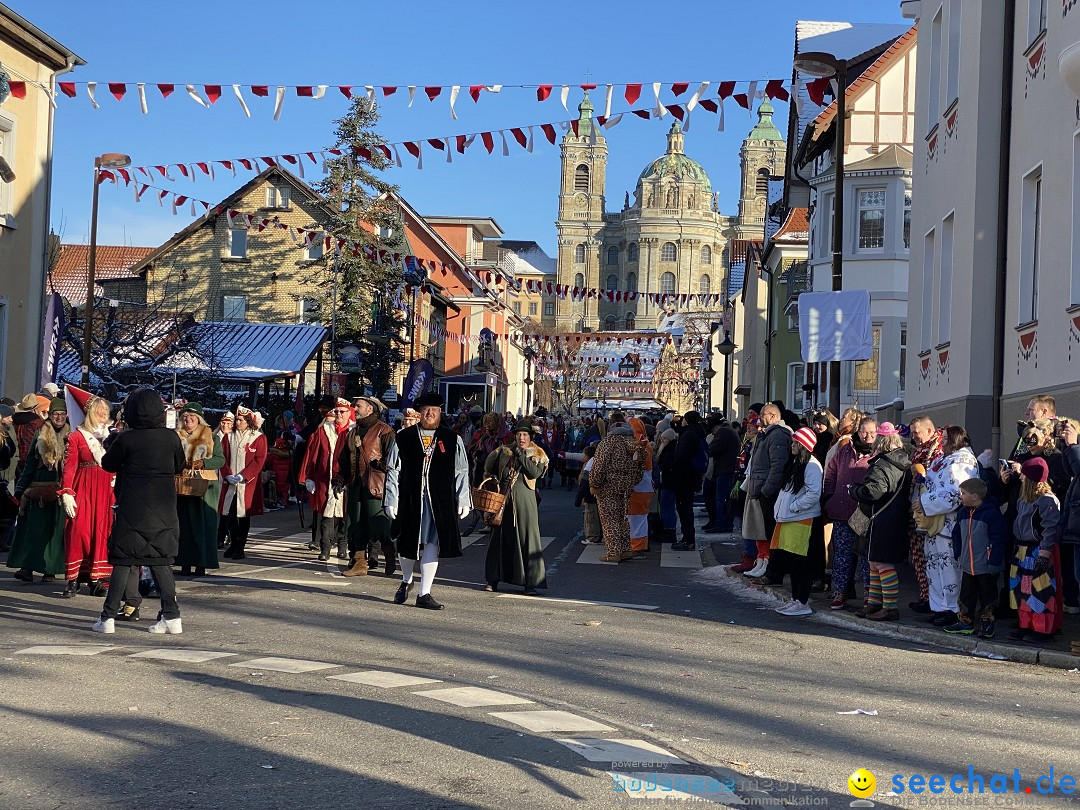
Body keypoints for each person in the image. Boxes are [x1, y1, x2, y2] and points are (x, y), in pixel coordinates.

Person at [93, 388, 186, 634]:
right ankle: (172, 616)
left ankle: (108, 618)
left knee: (123, 561)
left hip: (132, 507)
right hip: (164, 508)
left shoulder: (127, 438)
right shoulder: (171, 438)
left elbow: (108, 464)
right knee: (161, 561)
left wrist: (112, 440)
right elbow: (180, 465)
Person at [383, 391, 471, 610]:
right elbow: (393, 469)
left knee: (432, 543)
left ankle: (424, 593)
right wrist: (391, 499)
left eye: (434, 409)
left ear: (440, 412)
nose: (430, 413)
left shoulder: (452, 439)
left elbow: (461, 470)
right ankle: (406, 580)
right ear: (419, 412)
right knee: (406, 544)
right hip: (409, 498)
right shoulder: (404, 437)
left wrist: (463, 499)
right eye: (425, 409)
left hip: (437, 502)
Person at [848, 424, 911, 621]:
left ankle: (890, 607)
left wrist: (854, 491)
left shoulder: (883, 464)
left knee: (882, 564)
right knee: (874, 562)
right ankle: (874, 603)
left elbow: (873, 492)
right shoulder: (903, 461)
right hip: (893, 518)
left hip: (882, 519)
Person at [919, 425, 980, 626]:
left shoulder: (963, 461)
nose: (941, 441)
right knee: (934, 566)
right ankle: (939, 607)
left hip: (949, 524)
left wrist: (925, 502)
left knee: (949, 569)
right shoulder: (943, 460)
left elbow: (956, 494)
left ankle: (953, 609)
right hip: (934, 524)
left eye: (945, 438)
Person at [58, 394, 115, 597]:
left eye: (105, 412)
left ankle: (97, 578)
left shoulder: (112, 436)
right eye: (100, 412)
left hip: (106, 490)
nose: (103, 416)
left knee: (101, 532)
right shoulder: (76, 437)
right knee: (78, 532)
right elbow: (70, 467)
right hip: (83, 488)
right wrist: (67, 492)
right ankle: (73, 579)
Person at [7, 397, 69, 584]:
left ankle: (49, 570)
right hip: (39, 487)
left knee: (55, 531)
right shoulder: (41, 433)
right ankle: (27, 567)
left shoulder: (71, 435)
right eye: (55, 414)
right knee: (34, 529)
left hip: (61, 487)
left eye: (62, 414)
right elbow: (30, 464)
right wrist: (20, 488)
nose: (59, 417)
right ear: (49, 415)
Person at [483, 418, 549, 593]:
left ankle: (530, 583)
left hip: (525, 503)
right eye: (519, 434)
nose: (521, 438)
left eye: (525, 435)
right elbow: (489, 470)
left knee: (528, 541)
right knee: (497, 541)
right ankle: (492, 580)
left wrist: (521, 454)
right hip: (503, 502)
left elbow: (534, 472)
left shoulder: (538, 454)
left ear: (531, 436)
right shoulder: (503, 452)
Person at [822, 417, 876, 610]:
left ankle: (869, 595)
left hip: (864, 514)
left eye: (872, 432)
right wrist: (829, 497)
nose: (867, 436)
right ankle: (840, 592)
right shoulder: (845, 450)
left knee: (865, 558)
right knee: (842, 555)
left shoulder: (878, 454)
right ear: (858, 431)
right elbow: (830, 474)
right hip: (842, 511)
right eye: (864, 432)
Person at [768, 427, 823, 617]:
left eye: (795, 443)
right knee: (793, 563)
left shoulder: (812, 466)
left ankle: (803, 601)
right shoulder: (797, 463)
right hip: (791, 520)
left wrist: (794, 507)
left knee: (802, 564)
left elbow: (814, 493)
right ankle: (795, 599)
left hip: (803, 520)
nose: (792, 445)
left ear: (803, 445)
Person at [340, 396, 396, 577]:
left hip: (375, 486)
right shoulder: (352, 432)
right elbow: (343, 459)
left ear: (370, 409)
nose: (354, 409)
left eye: (358, 406)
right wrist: (340, 478)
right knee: (355, 525)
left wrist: (380, 465)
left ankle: (389, 557)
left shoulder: (385, 431)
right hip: (356, 486)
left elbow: (393, 458)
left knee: (379, 525)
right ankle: (359, 565)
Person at [1008, 457, 1062, 642]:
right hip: (1022, 549)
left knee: (1040, 590)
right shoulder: (1024, 499)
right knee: (1022, 590)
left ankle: (1043, 629)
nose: (1021, 478)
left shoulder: (1047, 500)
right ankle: (1026, 624)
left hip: (1037, 549)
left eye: (1024, 476)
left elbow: (1050, 528)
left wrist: (1045, 552)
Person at [946, 478, 1007, 637]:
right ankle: (965, 622)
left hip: (986, 566)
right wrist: (958, 553)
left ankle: (987, 623)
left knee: (988, 596)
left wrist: (994, 560)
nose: (961, 496)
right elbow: (957, 535)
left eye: (963, 493)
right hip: (967, 565)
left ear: (974, 496)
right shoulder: (962, 512)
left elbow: (999, 538)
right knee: (966, 595)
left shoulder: (991, 514)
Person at [175, 403, 225, 577]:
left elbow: (220, 460)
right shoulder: (176, 437)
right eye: (185, 417)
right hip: (182, 485)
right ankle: (184, 563)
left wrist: (203, 462)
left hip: (205, 487)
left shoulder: (212, 437)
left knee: (203, 526)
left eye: (192, 417)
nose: (188, 420)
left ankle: (202, 563)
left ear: (199, 419)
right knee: (184, 526)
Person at [742, 403, 792, 577]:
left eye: (761, 415)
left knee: (768, 531)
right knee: (759, 529)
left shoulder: (777, 435)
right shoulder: (766, 434)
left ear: (772, 416)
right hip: (759, 487)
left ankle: (771, 566)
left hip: (767, 491)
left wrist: (766, 490)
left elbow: (778, 466)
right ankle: (762, 560)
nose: (758, 419)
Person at [299, 399, 350, 562]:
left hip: (347, 480)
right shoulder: (323, 431)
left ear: (349, 413)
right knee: (326, 515)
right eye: (337, 411)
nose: (339, 415)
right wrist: (309, 478)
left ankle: (343, 546)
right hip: (325, 479)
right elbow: (312, 455)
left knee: (344, 515)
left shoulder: (354, 431)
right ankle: (325, 548)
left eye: (342, 412)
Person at [589, 413, 643, 563]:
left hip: (608, 486)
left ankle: (613, 552)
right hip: (626, 486)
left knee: (609, 519)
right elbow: (640, 466)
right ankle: (625, 549)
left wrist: (594, 485)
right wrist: (632, 482)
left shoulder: (608, 442)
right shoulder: (632, 441)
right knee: (623, 519)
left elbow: (599, 466)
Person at [219, 407, 268, 561]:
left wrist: (243, 476)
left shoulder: (258, 437)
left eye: (240, 420)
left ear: (248, 422)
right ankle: (234, 542)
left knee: (244, 515)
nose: (237, 422)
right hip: (231, 483)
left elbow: (259, 460)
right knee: (229, 514)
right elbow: (222, 457)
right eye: (237, 419)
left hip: (247, 484)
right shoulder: (229, 437)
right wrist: (227, 474)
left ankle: (240, 546)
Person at [907, 417, 944, 613]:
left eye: (917, 432)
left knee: (929, 557)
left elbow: (932, 478)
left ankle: (933, 599)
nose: (914, 437)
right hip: (916, 508)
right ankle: (925, 595)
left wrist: (919, 471)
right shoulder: (919, 450)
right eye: (912, 433)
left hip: (928, 510)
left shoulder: (937, 451)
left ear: (930, 430)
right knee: (918, 555)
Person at [670, 411, 708, 551]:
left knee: (684, 508)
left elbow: (682, 457)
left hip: (684, 477)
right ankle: (688, 539)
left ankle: (688, 540)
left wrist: (673, 469)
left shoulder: (688, 435)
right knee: (686, 508)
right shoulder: (697, 433)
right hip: (691, 476)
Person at [705, 418, 741, 535]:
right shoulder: (730, 431)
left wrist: (710, 447)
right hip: (729, 468)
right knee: (725, 499)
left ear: (716, 427)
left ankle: (720, 523)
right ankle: (724, 523)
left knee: (720, 499)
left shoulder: (723, 432)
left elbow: (714, 449)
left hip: (724, 469)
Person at [626, 417, 654, 554]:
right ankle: (641, 544)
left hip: (637, 487)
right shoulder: (645, 443)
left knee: (635, 519)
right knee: (640, 518)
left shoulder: (637, 443)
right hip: (645, 486)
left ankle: (637, 546)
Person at [213, 412, 235, 550]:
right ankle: (219, 536)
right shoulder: (214, 436)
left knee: (227, 508)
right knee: (217, 508)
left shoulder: (234, 438)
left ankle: (223, 536)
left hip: (230, 476)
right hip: (216, 475)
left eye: (228, 423)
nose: (225, 425)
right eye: (223, 422)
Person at [575, 444, 602, 546]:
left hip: (589, 495)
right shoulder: (596, 461)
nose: (583, 456)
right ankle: (597, 536)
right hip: (594, 494)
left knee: (591, 517)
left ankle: (592, 537)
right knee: (595, 516)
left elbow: (584, 482)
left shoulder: (591, 463)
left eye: (584, 454)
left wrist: (578, 499)